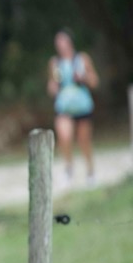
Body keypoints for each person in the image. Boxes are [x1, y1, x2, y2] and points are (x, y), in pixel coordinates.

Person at [46, 29, 100, 184]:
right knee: (64, 138)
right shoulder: (55, 63)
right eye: (58, 43)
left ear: (70, 42)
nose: (60, 45)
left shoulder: (82, 59)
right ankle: (68, 169)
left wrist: (83, 78)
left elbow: (95, 81)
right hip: (64, 107)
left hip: (82, 106)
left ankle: (90, 171)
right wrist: (53, 87)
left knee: (84, 141)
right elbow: (51, 86)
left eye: (63, 41)